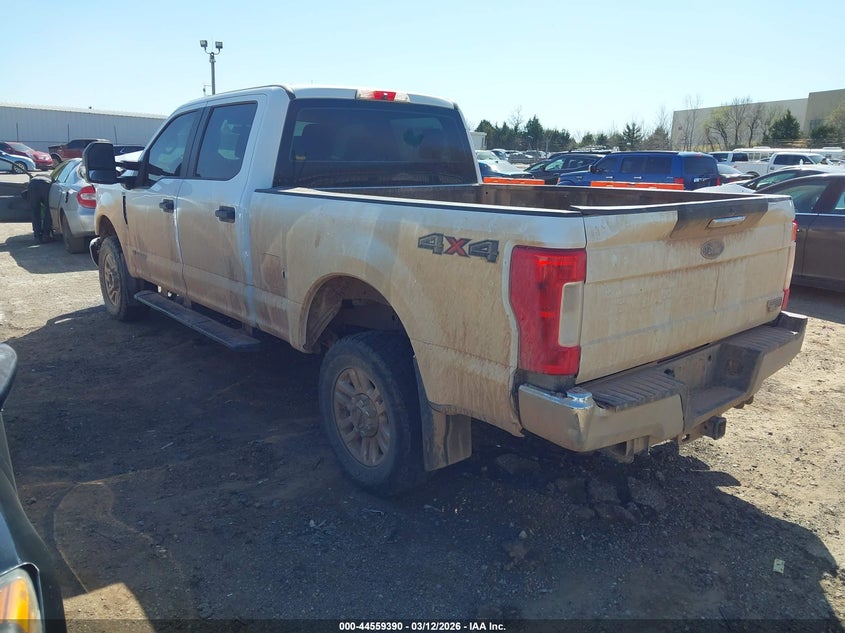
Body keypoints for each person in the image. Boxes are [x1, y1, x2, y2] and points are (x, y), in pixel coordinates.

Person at [24, 174, 52, 242]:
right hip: (46, 185)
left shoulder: (33, 179)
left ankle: (37, 236)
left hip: (32, 185)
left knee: (35, 212)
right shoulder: (50, 178)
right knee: (48, 211)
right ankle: (46, 235)